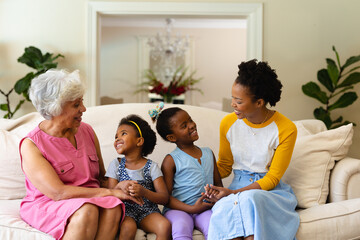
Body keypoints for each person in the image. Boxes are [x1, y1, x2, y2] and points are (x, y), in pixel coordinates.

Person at [19, 69, 142, 240]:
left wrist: (116, 187)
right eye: (76, 105)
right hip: (49, 203)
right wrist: (109, 193)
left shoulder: (87, 131)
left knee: (113, 206)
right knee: (88, 211)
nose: (83, 109)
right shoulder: (31, 145)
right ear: (55, 109)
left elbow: (100, 178)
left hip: (88, 197)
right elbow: (58, 193)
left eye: (81, 102)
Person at [205, 59, 300, 240]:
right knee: (226, 209)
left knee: (249, 200)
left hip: (268, 192)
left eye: (238, 101)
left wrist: (233, 193)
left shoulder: (286, 128)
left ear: (259, 103)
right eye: (232, 98)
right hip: (238, 186)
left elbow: (272, 178)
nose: (232, 104)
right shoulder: (228, 123)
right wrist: (200, 172)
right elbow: (224, 166)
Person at [152, 104, 223, 240]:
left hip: (205, 209)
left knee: (214, 225)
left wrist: (215, 196)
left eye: (190, 120)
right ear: (172, 138)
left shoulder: (208, 153)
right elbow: (166, 199)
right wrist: (192, 209)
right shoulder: (171, 160)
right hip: (177, 210)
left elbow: (218, 185)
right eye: (184, 125)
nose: (191, 125)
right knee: (181, 227)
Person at [105, 114, 171, 240]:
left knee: (165, 226)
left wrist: (144, 192)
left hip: (148, 211)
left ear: (139, 141)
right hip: (125, 211)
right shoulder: (116, 164)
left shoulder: (152, 167)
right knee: (128, 228)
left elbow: (164, 198)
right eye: (116, 136)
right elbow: (110, 194)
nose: (117, 139)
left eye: (123, 134)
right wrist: (121, 188)